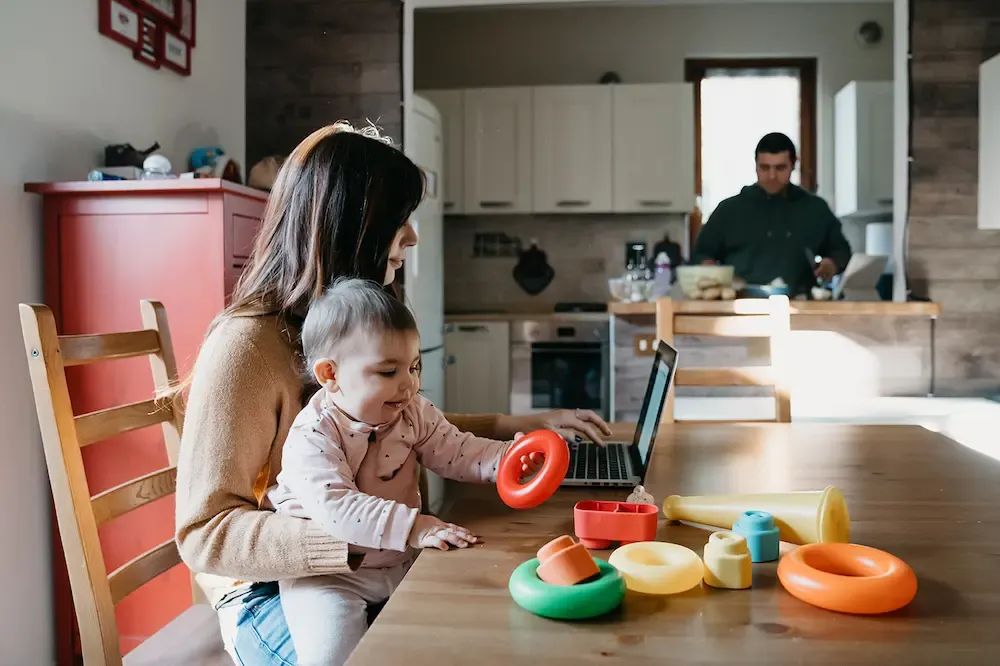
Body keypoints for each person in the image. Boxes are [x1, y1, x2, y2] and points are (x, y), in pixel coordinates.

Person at [170, 121, 612, 666]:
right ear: (349, 226)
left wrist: (518, 428)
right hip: (274, 587)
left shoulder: (360, 329)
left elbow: (411, 426)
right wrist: (354, 541)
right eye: (397, 221)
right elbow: (204, 533)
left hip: (383, 557)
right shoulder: (246, 345)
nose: (413, 237)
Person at [271, 277, 536, 665]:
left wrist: (506, 459)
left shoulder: (412, 412)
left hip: (400, 560)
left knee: (463, 630)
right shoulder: (311, 436)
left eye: (414, 367)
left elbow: (456, 450)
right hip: (330, 577)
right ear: (330, 375)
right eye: (387, 372)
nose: (409, 384)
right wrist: (415, 526)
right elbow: (337, 509)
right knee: (331, 658)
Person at [691, 132, 852, 295]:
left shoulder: (814, 209)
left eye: (780, 168)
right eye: (765, 167)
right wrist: (710, 269)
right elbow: (701, 253)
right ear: (756, 166)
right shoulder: (729, 210)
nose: (772, 176)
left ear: (793, 165)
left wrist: (831, 264)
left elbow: (841, 251)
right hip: (739, 305)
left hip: (799, 305)